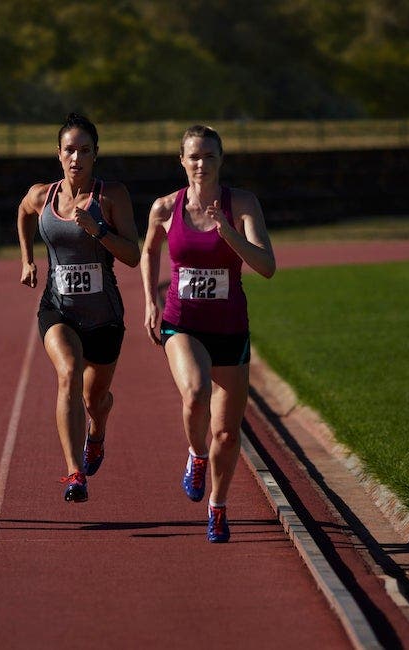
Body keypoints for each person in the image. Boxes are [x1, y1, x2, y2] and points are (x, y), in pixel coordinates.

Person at [140, 125, 275, 542]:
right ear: (182, 160)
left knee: (227, 433)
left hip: (231, 328)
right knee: (196, 394)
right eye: (194, 156)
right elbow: (149, 251)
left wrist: (229, 234)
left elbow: (267, 266)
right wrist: (150, 300)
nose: (201, 164)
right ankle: (196, 457)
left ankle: (217, 505)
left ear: (221, 160)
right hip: (183, 322)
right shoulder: (165, 207)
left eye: (209, 156)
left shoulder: (243, 203)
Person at [17, 113, 140, 502]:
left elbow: (133, 255)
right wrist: (26, 259)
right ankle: (74, 474)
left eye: (84, 150)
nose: (76, 158)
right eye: (70, 150)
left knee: (94, 400)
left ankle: (97, 432)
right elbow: (23, 212)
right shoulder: (43, 195)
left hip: (104, 316)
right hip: (59, 308)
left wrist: (98, 230)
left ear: (95, 155)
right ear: (58, 154)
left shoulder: (111, 196)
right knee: (68, 372)